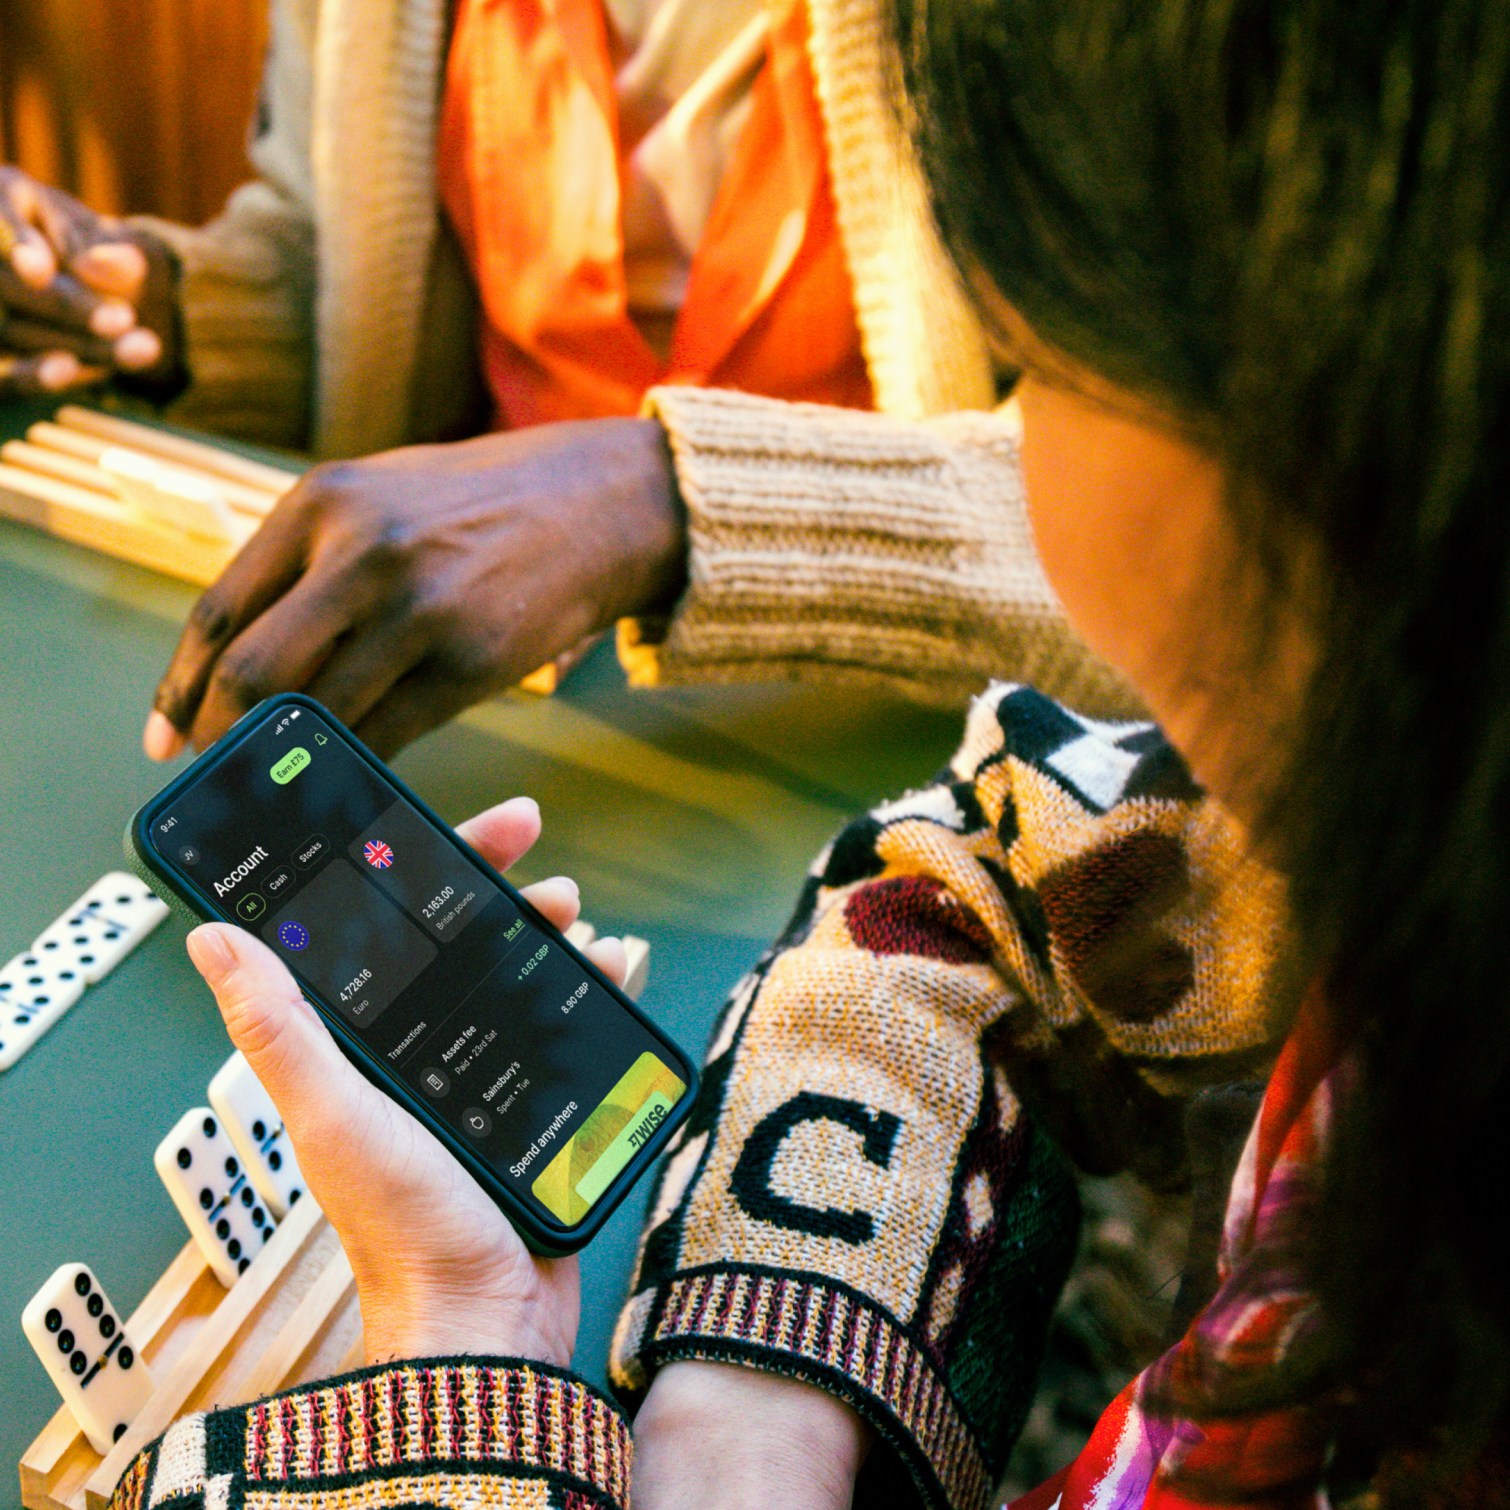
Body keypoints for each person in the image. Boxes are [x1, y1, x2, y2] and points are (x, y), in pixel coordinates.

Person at [105, 0, 1510, 1505]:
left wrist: (461, 1382)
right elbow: (970, 876)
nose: (1017, 441)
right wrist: (751, 1401)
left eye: (1033, 363)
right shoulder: (1332, 848)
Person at [1, 0, 1140, 765]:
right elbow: (353, 292)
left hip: (906, 742)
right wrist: (143, 303)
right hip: (494, 705)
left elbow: (1200, 524)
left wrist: (664, 502)